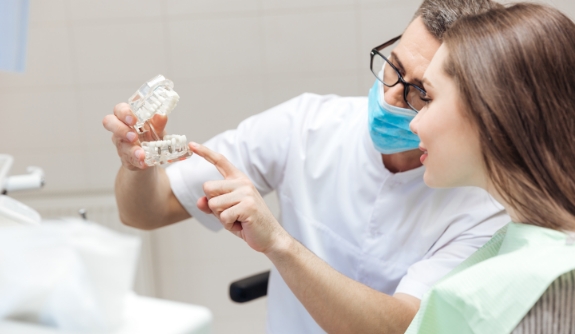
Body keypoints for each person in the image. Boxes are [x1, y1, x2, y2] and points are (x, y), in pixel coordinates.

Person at [103, 0, 508, 333]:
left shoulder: (483, 203)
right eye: (394, 67)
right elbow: (144, 211)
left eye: (421, 91)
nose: (391, 97)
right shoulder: (307, 125)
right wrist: (137, 164)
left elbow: (404, 327)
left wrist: (278, 244)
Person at [404, 3, 575, 332]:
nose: (415, 124)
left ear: (489, 108)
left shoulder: (544, 288)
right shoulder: (525, 239)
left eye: (427, 97)